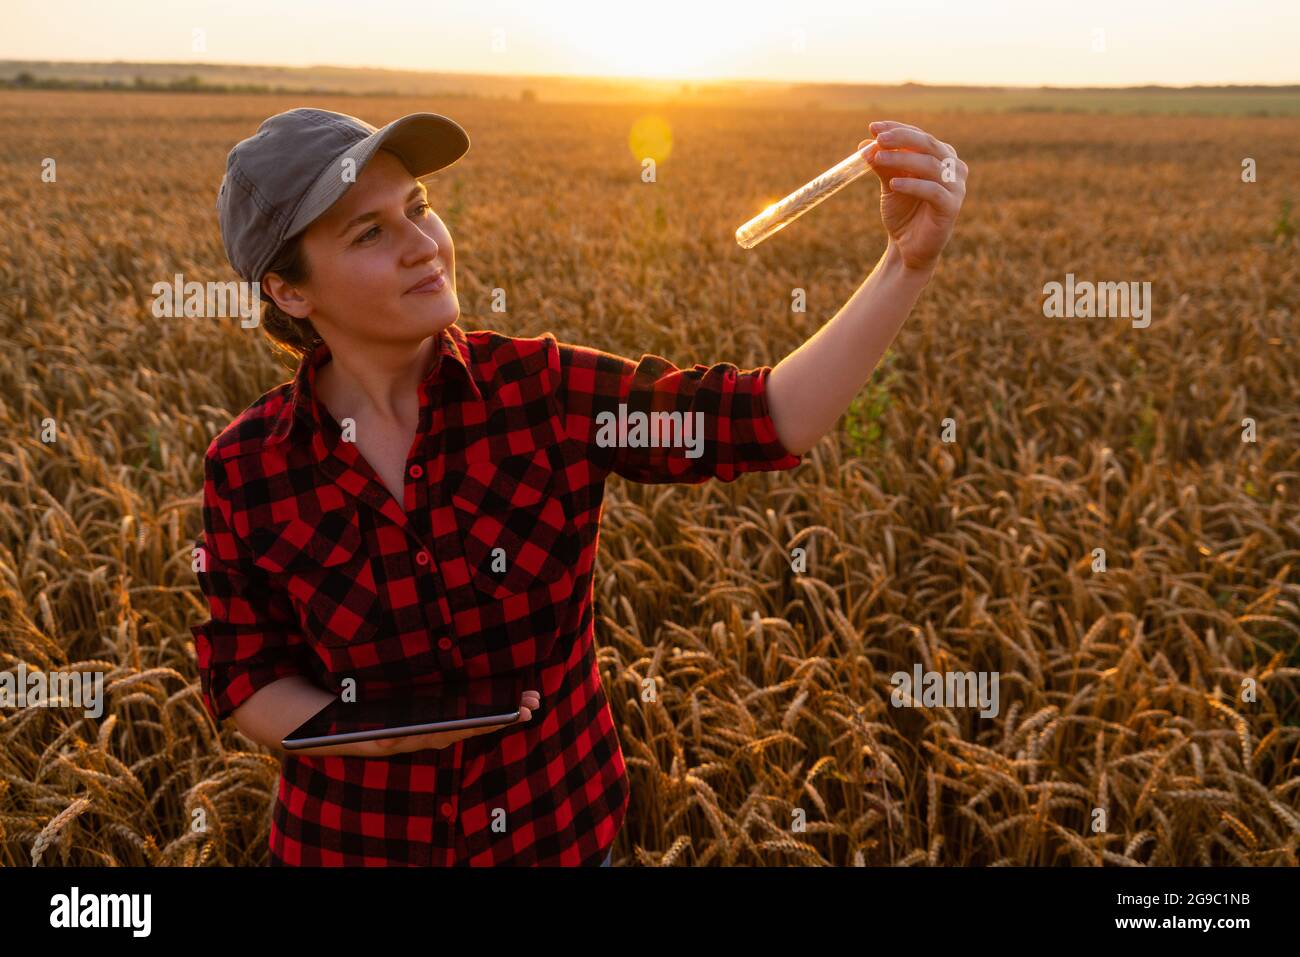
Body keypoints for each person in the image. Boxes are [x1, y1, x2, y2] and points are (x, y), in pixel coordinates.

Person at [192, 107, 967, 866]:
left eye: (419, 207)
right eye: (371, 231)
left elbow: (764, 418)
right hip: (352, 845)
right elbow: (243, 672)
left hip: (555, 830)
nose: (423, 244)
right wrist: (373, 730)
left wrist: (908, 263)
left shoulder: (543, 391)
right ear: (291, 292)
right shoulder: (247, 466)